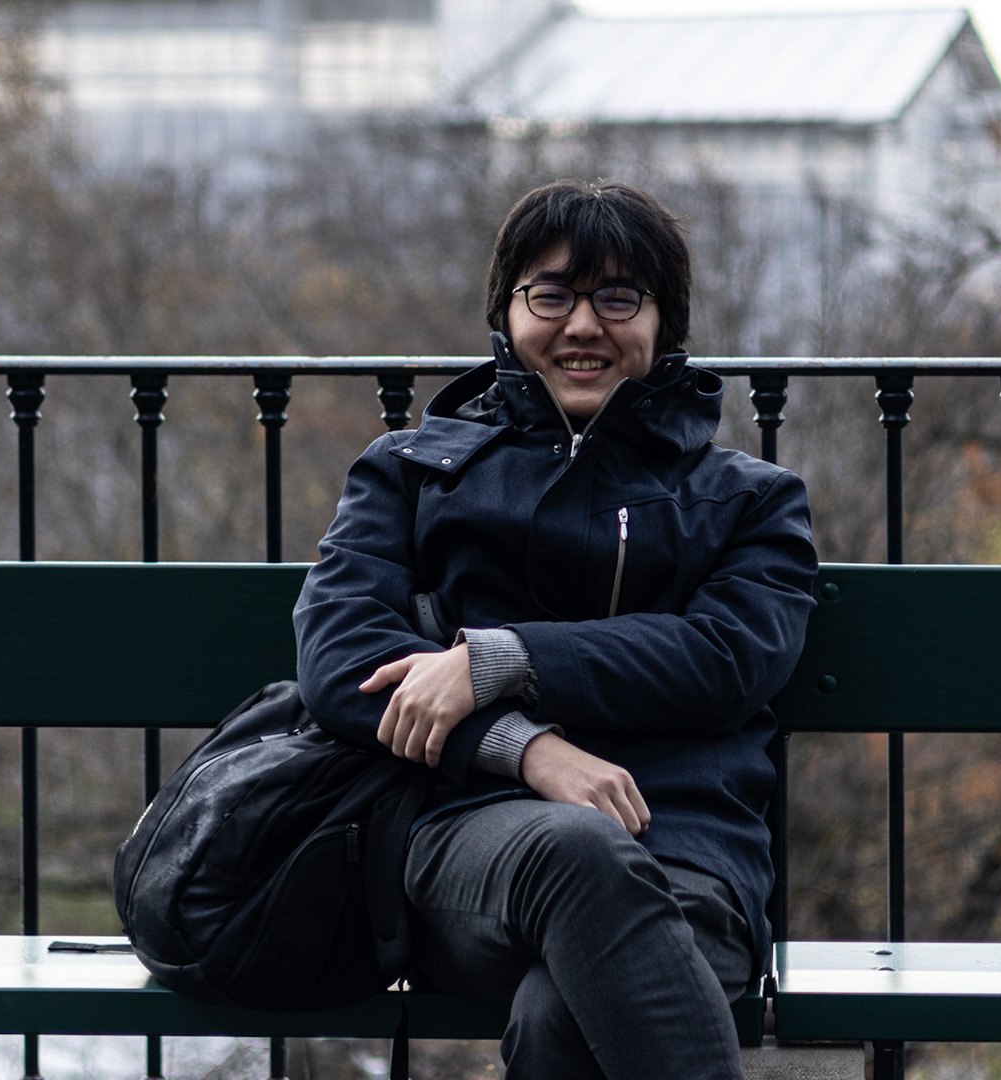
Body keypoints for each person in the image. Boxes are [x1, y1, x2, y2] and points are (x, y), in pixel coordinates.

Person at [293, 179, 817, 1079]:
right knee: (579, 852)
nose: (582, 326)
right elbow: (342, 656)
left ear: (665, 324)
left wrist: (503, 660)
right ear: (506, 312)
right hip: (467, 844)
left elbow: (728, 658)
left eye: (618, 298)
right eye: (551, 295)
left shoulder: (748, 502)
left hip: (688, 855)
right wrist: (526, 749)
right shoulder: (411, 475)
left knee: (558, 1023)